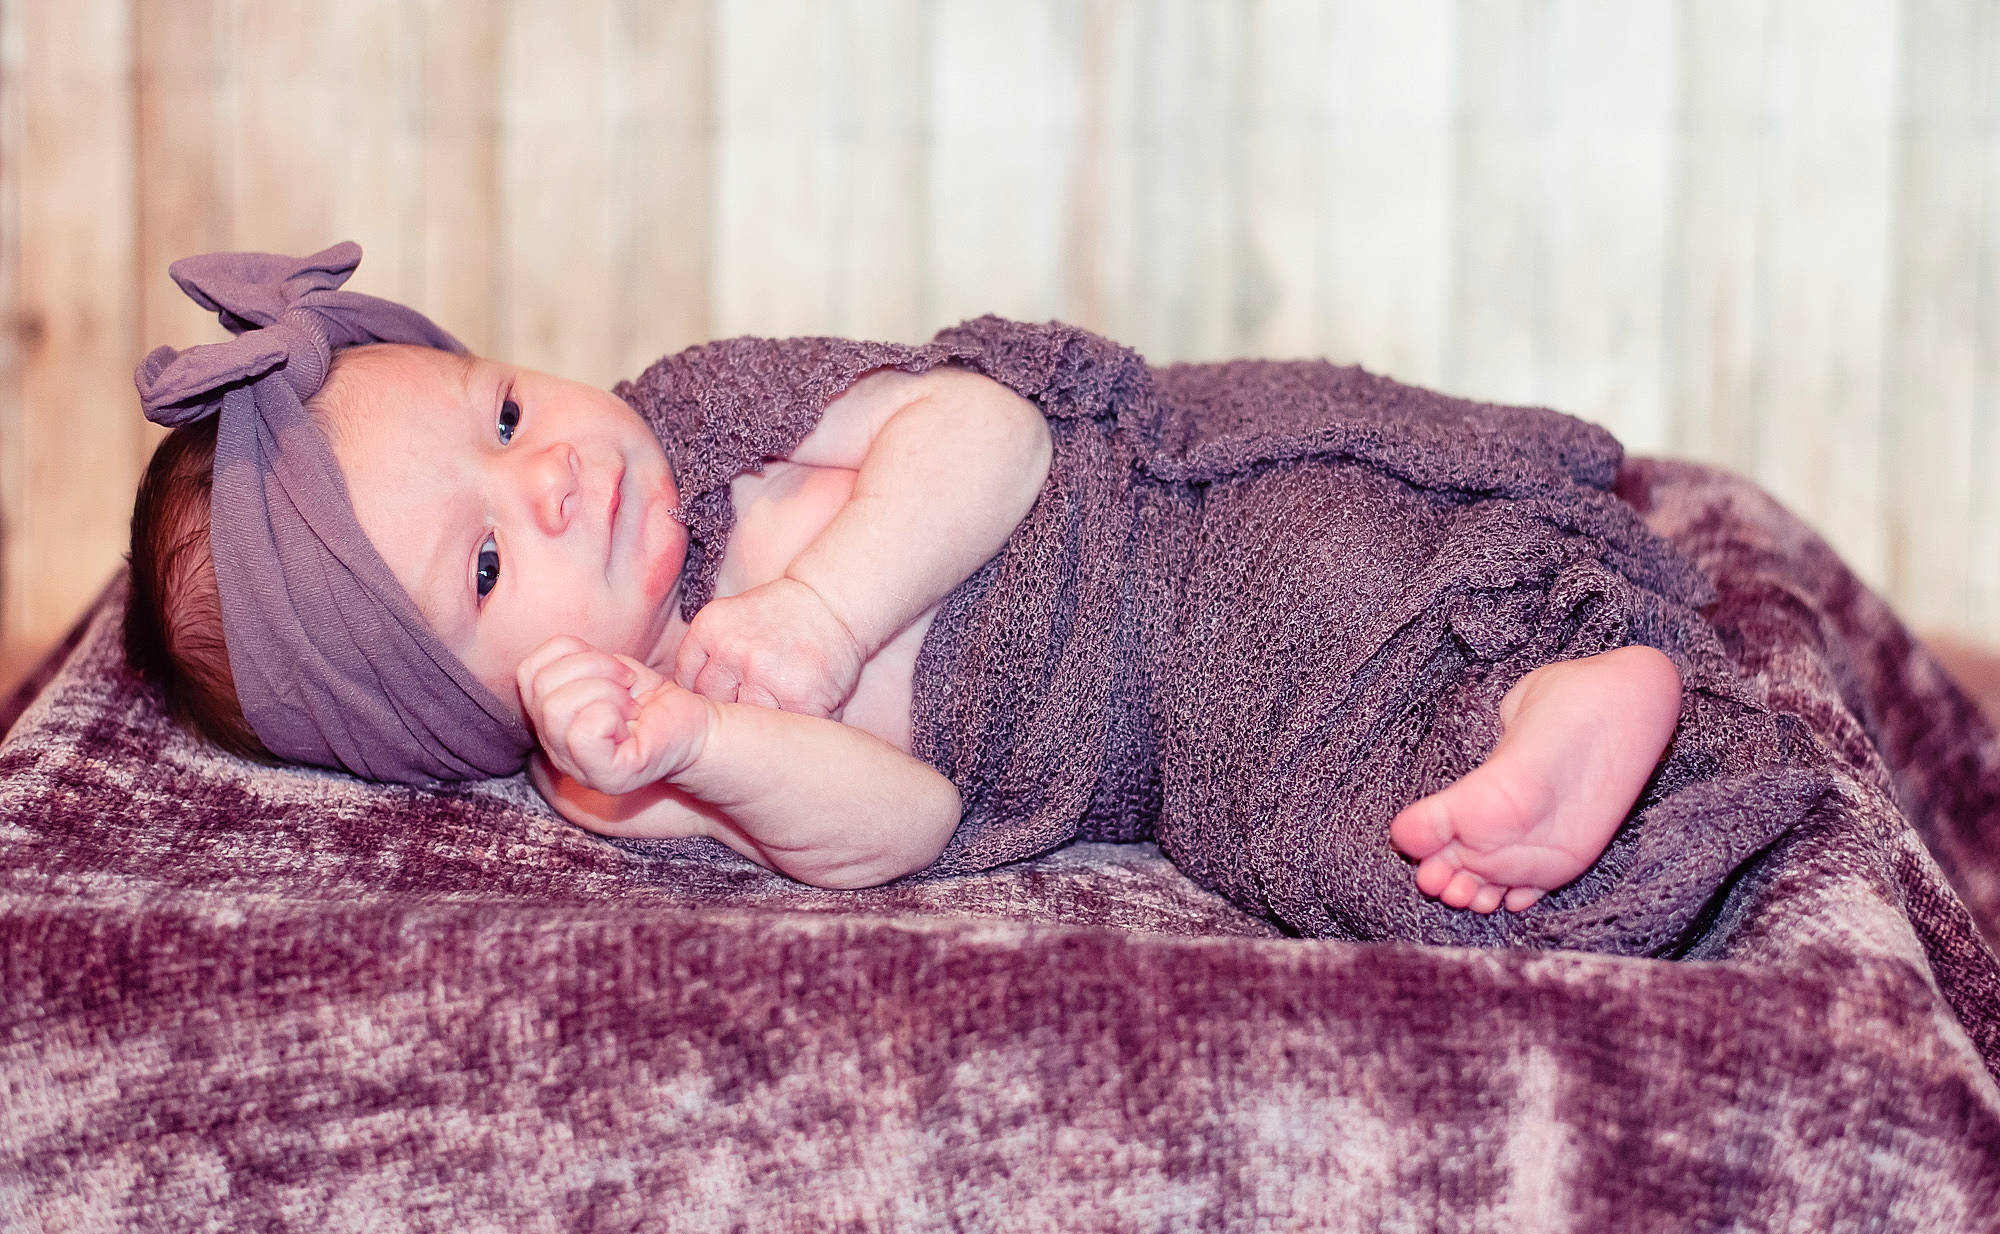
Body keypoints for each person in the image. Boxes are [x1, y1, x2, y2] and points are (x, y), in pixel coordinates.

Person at [127, 243, 1682, 922]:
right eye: (482, 562)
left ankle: (1556, 647)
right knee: (1338, 830)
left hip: (1151, 504)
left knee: (1340, 560)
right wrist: (708, 747)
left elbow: (987, 429)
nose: (552, 480)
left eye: (507, 410)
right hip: (1158, 737)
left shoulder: (707, 407)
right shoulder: (624, 758)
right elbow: (908, 829)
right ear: (456, 712)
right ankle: (1558, 718)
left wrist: (825, 612)